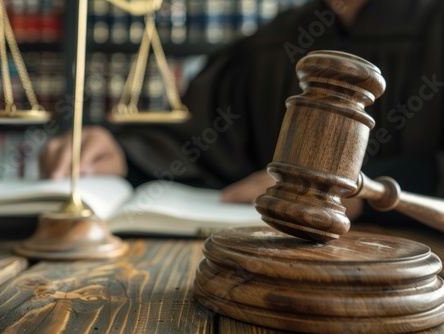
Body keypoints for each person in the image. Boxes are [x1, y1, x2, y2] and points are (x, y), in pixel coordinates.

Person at [40, 0, 444, 224]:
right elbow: (205, 139)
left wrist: (352, 194)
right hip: (271, 255)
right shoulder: (277, 40)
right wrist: (124, 154)